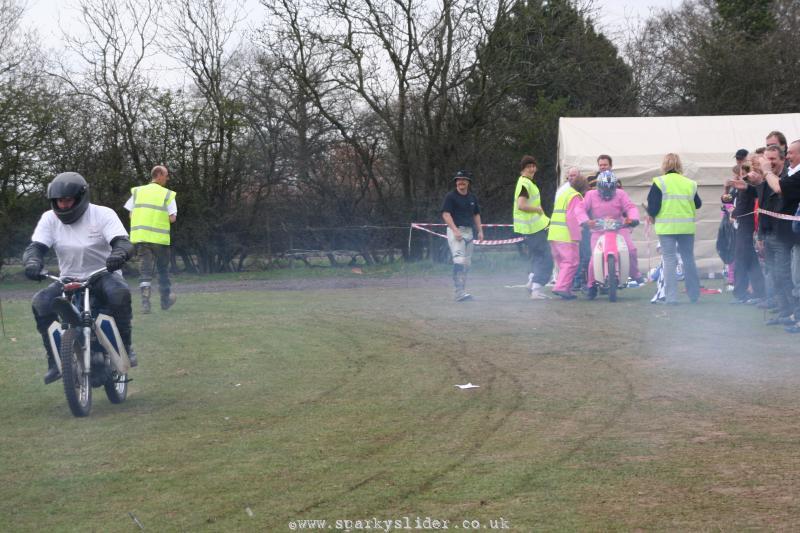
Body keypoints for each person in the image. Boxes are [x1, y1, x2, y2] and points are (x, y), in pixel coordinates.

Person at [22, 172, 136, 384]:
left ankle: (126, 347)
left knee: (119, 293)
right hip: (67, 278)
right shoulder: (49, 218)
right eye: (58, 201)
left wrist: (118, 254)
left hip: (102, 274)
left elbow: (123, 242)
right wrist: (32, 262)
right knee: (41, 302)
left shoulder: (103, 214)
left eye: (67, 200)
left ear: (81, 197)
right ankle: (55, 360)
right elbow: (35, 248)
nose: (63, 205)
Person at [646, 153, 702, 305]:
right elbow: (698, 204)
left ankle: (671, 298)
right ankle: (694, 294)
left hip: (666, 228)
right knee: (688, 259)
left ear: (664, 165)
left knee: (669, 260)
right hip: (686, 228)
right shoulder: (690, 183)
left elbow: (654, 207)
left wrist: (650, 214)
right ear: (680, 165)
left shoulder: (659, 182)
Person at [757, 141, 800, 331]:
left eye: (789, 153)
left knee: (789, 277)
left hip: (786, 235)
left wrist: (766, 172)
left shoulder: (787, 176)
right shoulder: (787, 175)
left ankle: (794, 315)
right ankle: (787, 313)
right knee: (777, 275)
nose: (788, 156)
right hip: (776, 232)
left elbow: (780, 189)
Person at [124, 165, 177, 313]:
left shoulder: (138, 192)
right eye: (166, 175)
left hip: (141, 239)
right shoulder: (167, 194)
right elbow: (172, 218)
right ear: (159, 175)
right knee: (162, 270)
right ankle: (165, 301)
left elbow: (130, 213)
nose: (167, 178)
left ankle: (145, 304)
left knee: (145, 272)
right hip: (159, 240)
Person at [583, 170, 641, 299]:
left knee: (631, 250)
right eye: (605, 189)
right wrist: (585, 221)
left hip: (619, 228)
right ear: (599, 187)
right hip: (598, 230)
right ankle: (591, 286)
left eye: (611, 189)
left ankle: (635, 274)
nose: (608, 192)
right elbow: (581, 209)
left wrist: (633, 218)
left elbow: (630, 207)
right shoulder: (590, 195)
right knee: (594, 258)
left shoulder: (621, 194)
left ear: (615, 187)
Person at [725, 153, 766, 304]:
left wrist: (734, 213)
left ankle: (741, 293)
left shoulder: (752, 183)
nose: (741, 175)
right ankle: (759, 292)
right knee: (750, 260)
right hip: (742, 222)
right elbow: (729, 201)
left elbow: (746, 203)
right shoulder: (742, 184)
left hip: (746, 223)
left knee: (742, 259)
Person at [513, 155, 553, 300]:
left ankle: (531, 282)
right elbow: (522, 205)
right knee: (546, 258)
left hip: (534, 228)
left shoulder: (528, 183)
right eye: (528, 166)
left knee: (537, 256)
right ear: (523, 169)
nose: (531, 168)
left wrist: (545, 219)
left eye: (533, 166)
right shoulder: (525, 183)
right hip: (533, 228)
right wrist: (537, 210)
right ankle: (536, 288)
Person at [441, 170, 484, 301]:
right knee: (459, 260)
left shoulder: (472, 198)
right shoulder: (450, 197)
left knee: (467, 263)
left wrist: (480, 231)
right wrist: (455, 230)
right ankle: (458, 292)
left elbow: (476, 214)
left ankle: (463, 291)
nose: (461, 182)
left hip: (469, 232)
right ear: (456, 182)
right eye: (458, 180)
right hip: (456, 231)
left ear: (468, 183)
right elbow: (445, 214)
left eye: (464, 180)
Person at [547, 173, 589, 299]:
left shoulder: (563, 194)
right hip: (566, 235)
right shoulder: (575, 196)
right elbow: (572, 217)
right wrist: (576, 236)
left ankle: (566, 289)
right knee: (571, 262)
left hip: (554, 234)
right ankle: (561, 287)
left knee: (562, 263)